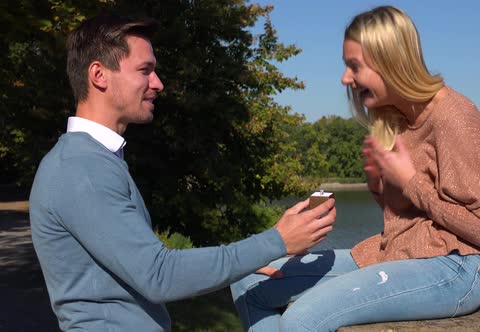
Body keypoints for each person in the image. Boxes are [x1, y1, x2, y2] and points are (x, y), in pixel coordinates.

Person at [28, 14, 336, 332]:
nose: (158, 83)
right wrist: (276, 241)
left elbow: (141, 263)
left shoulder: (92, 160)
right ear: (99, 75)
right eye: (144, 70)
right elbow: (159, 276)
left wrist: (244, 260)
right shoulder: (82, 168)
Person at [230, 5, 480, 331]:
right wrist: (378, 182)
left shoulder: (454, 117)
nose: (345, 78)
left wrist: (411, 182)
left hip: (456, 268)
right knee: (247, 282)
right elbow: (408, 221)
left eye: (354, 66)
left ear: (390, 60)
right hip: (396, 254)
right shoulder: (395, 119)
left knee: (302, 319)